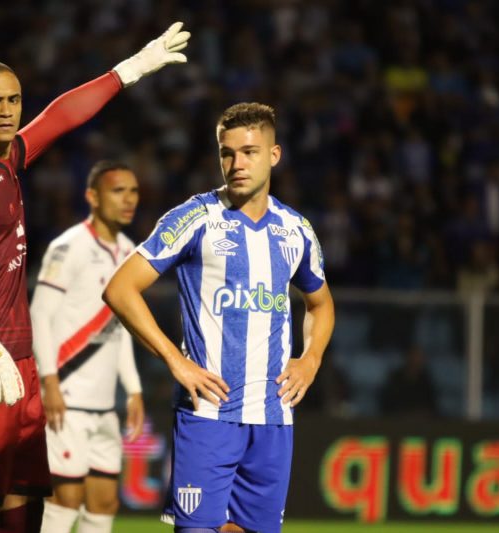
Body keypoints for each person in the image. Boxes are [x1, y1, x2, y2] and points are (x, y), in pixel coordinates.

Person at [0, 22, 190, 533]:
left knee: (26, 505)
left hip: (17, 359)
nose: (7, 110)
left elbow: (60, 117)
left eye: (14, 100)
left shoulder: (9, 158)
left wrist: (128, 71)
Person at [103, 103, 335, 533]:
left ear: (274, 155)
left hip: (273, 417)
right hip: (207, 413)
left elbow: (320, 303)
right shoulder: (194, 218)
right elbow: (120, 289)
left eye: (249, 151)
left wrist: (311, 358)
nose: (236, 163)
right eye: (227, 153)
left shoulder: (296, 230)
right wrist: (176, 360)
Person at [30, 160, 144, 532]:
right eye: (118, 191)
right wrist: (48, 382)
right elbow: (39, 315)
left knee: (104, 502)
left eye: (133, 191)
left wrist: (134, 389)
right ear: (92, 197)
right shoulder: (69, 247)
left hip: (103, 404)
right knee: (64, 501)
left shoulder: (130, 252)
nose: (128, 200)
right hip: (67, 395)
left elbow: (122, 326)